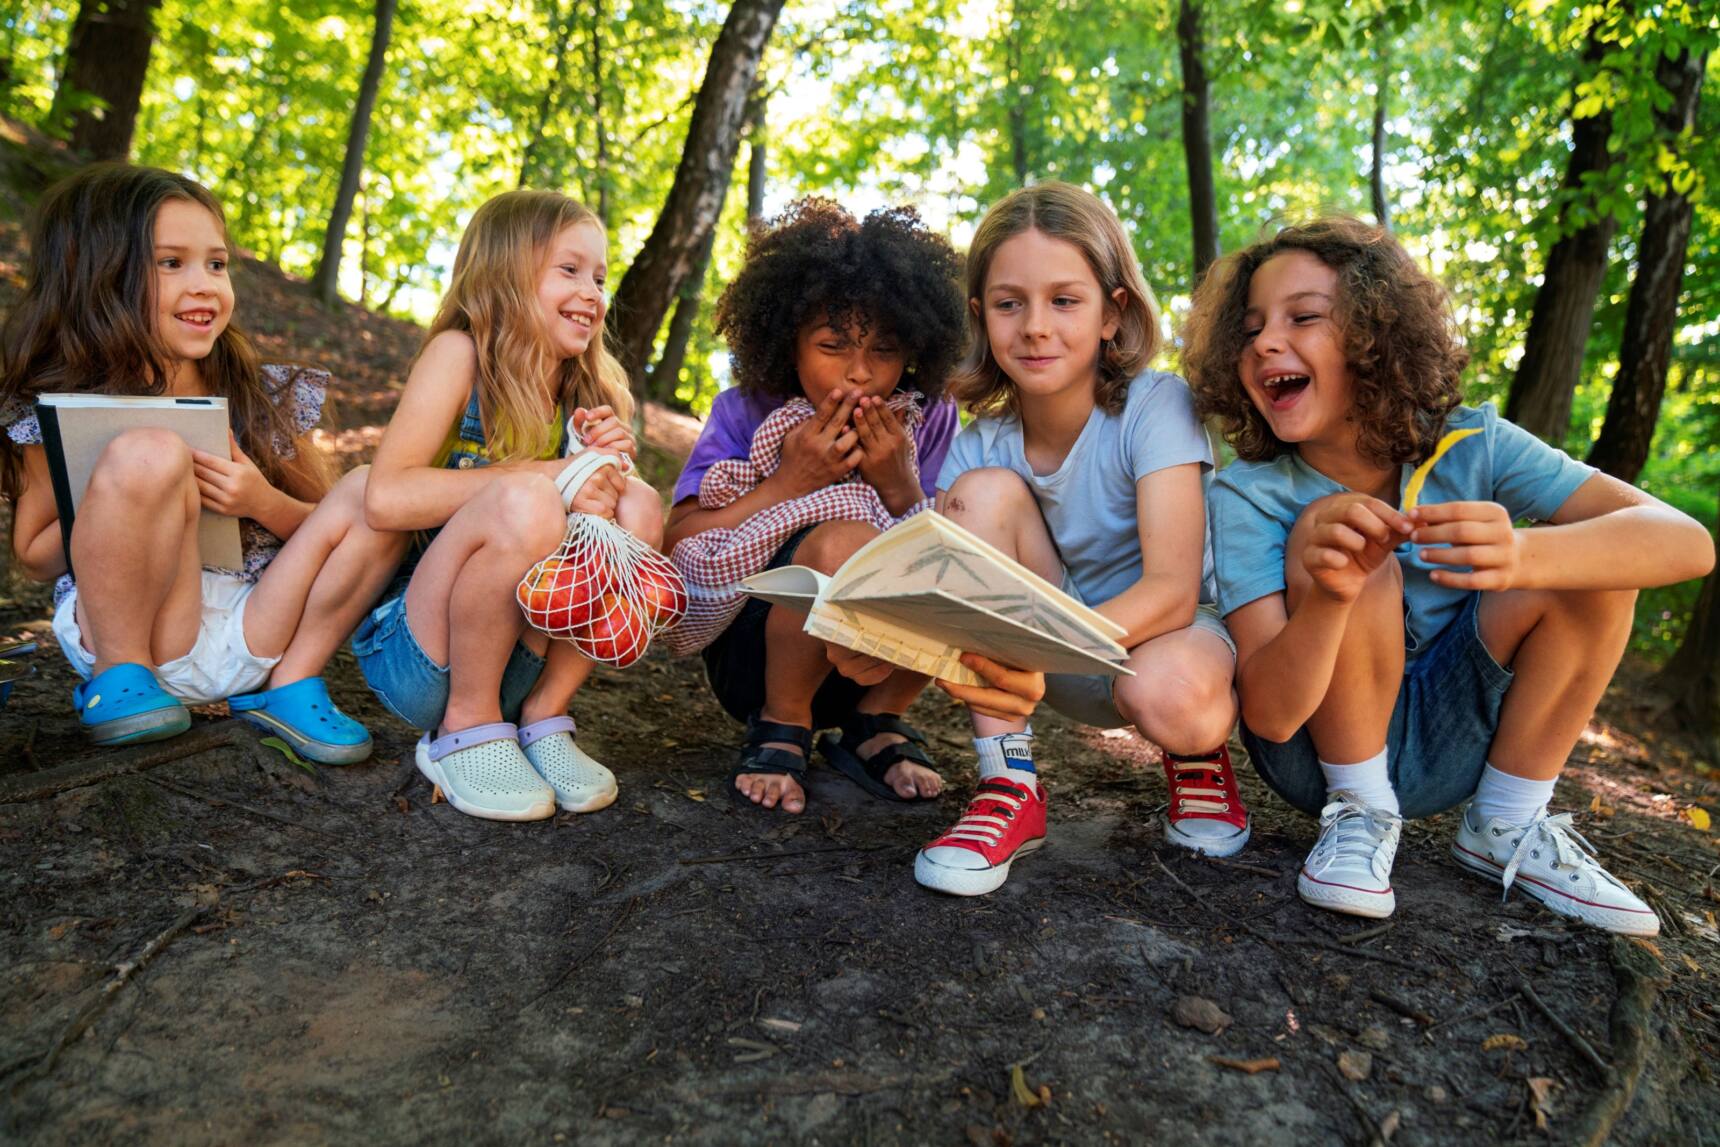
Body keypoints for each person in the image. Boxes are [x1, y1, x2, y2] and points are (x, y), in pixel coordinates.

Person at [1183, 216, 1714, 934]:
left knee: (1595, 557)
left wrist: (1528, 556)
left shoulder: (1474, 441)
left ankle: (1506, 825)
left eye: (1303, 317)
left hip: (1455, 736)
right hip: (1313, 754)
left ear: (1375, 336)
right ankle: (1361, 813)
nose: (1266, 342)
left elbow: (1686, 543)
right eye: (1250, 330)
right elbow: (1272, 715)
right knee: (1337, 532)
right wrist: (1332, 597)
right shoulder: (1249, 491)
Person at [0, 164, 400, 760]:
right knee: (149, 451)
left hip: (260, 629)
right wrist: (120, 490)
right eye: (171, 264)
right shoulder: (60, 396)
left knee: (376, 494)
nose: (206, 285)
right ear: (98, 277)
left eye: (216, 264)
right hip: (139, 628)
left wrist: (259, 500)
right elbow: (34, 555)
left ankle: (292, 684)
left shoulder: (252, 390)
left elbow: (328, 526)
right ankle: (117, 680)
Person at [917, 182, 1246, 897]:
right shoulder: (980, 448)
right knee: (981, 498)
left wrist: (1030, 645)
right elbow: (962, 609)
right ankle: (1009, 786)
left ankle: (1197, 761)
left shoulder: (1156, 407)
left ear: (1112, 311)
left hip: (1168, 640)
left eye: (1064, 300)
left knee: (1173, 697)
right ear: (982, 316)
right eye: (1010, 303)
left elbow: (1172, 590)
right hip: (1048, 659)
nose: (1035, 326)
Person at [357, 189, 662, 822]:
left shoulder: (588, 388)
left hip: (521, 660)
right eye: (569, 270)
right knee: (526, 498)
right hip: (423, 653)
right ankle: (461, 728)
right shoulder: (459, 355)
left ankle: (544, 712)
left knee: (641, 504)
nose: (593, 293)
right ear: (506, 271)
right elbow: (386, 498)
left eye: (601, 278)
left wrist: (601, 472)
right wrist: (555, 473)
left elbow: (598, 528)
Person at [664, 199, 966, 815]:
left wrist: (899, 486)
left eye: (884, 350)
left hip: (883, 663)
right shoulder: (744, 411)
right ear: (788, 344)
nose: (859, 374)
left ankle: (876, 723)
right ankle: (784, 722)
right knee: (840, 540)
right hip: (756, 657)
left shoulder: (932, 417)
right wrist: (788, 482)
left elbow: (948, 547)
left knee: (957, 554)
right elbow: (678, 541)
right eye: (833, 346)